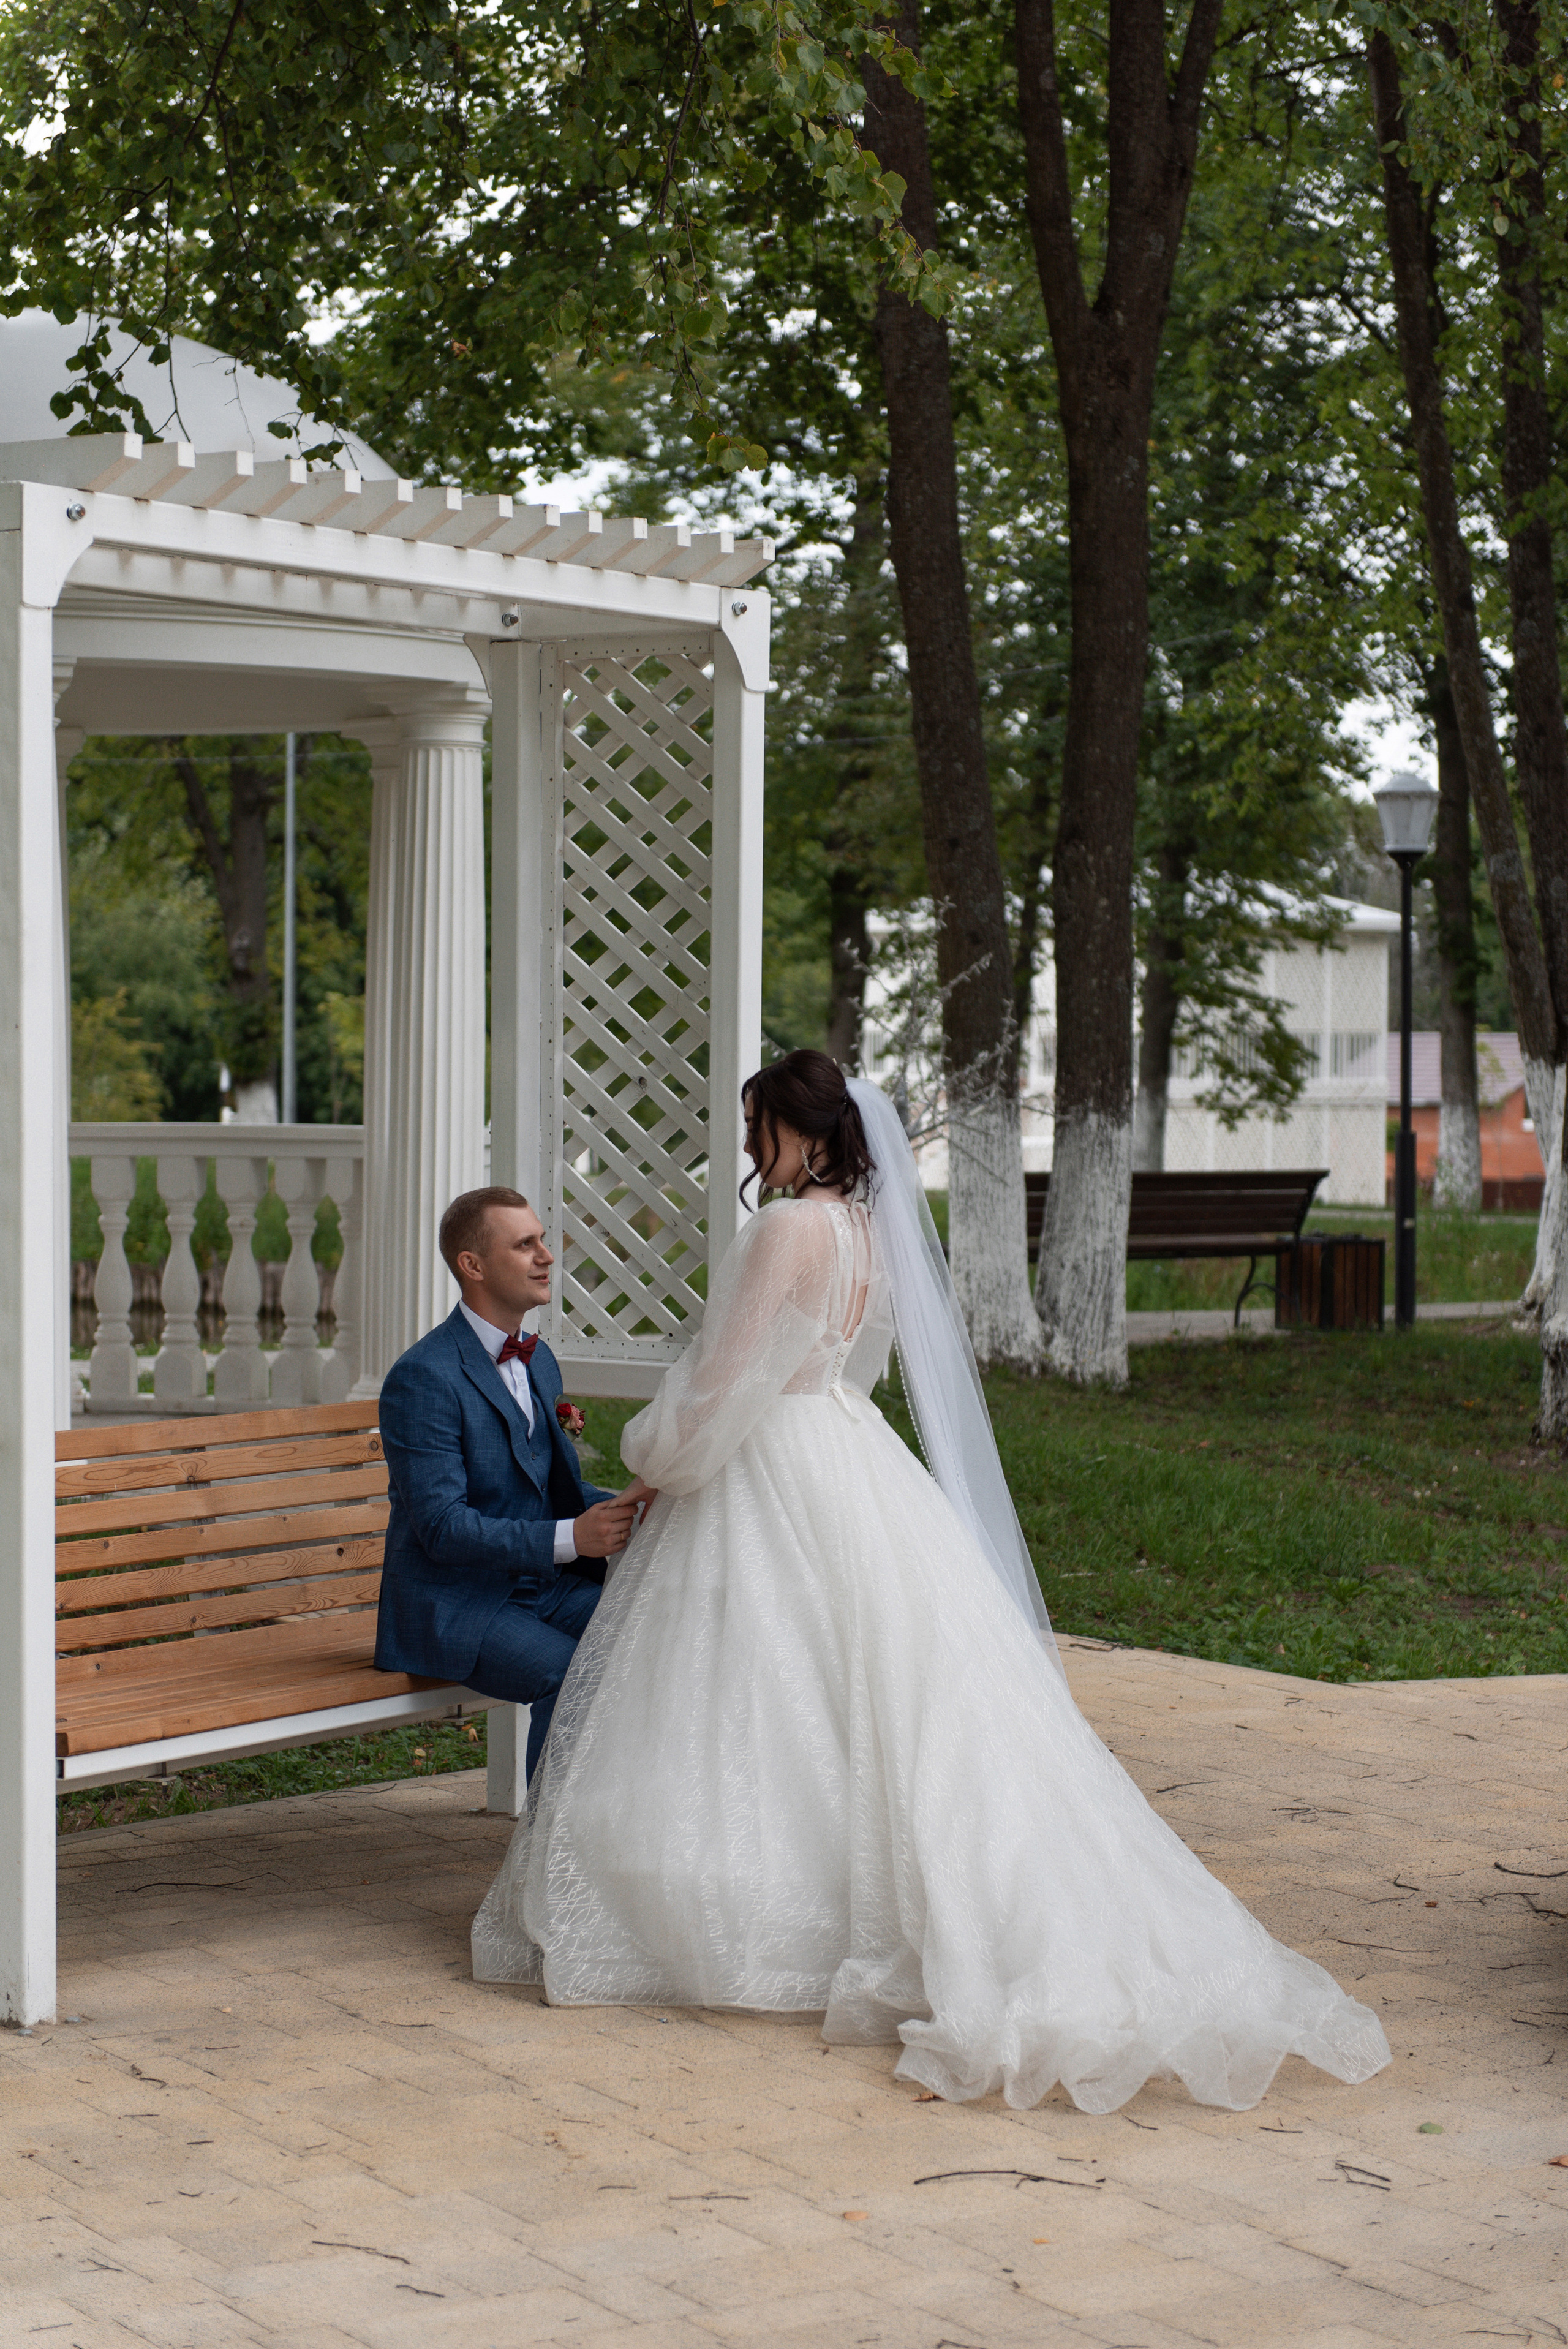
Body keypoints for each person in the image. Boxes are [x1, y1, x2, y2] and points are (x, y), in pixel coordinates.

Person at [471, 1060, 1391, 2114]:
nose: (746, 1149)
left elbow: (726, 1377)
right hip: (851, 1452)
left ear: (806, 1134)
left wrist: (657, 1455)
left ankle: (752, 1917)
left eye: (757, 1127)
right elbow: (842, 1371)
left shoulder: (784, 1229)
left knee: (761, 1685)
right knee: (868, 1691)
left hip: (773, 1457)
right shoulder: (869, 1232)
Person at [375, 1185, 655, 1784]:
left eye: (543, 1241)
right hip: (457, 1602)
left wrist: (630, 1502)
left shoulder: (539, 1358)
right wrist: (572, 1538)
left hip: (539, 1587)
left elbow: (551, 1492)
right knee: (572, 1670)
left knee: (655, 1628)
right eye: (524, 1244)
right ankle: (549, 1860)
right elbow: (443, 1529)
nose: (546, 1255)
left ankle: (624, 1820)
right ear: (472, 1265)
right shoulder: (423, 1378)